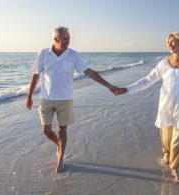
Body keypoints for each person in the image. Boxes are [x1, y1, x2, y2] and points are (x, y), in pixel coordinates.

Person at [26, 26, 118, 173]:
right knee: (46, 130)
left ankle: (60, 158)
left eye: (69, 38)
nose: (68, 41)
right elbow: (36, 75)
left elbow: (90, 73)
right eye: (64, 39)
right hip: (46, 98)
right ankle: (59, 145)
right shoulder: (43, 54)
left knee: (62, 130)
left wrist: (109, 86)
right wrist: (29, 96)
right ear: (55, 39)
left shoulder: (73, 55)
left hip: (65, 99)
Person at [115, 32, 179, 183]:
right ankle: (166, 153)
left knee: (178, 140)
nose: (169, 45)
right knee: (166, 138)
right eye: (168, 43)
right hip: (166, 106)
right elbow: (148, 80)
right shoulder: (163, 63)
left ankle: (175, 169)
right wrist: (128, 89)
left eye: (172, 42)